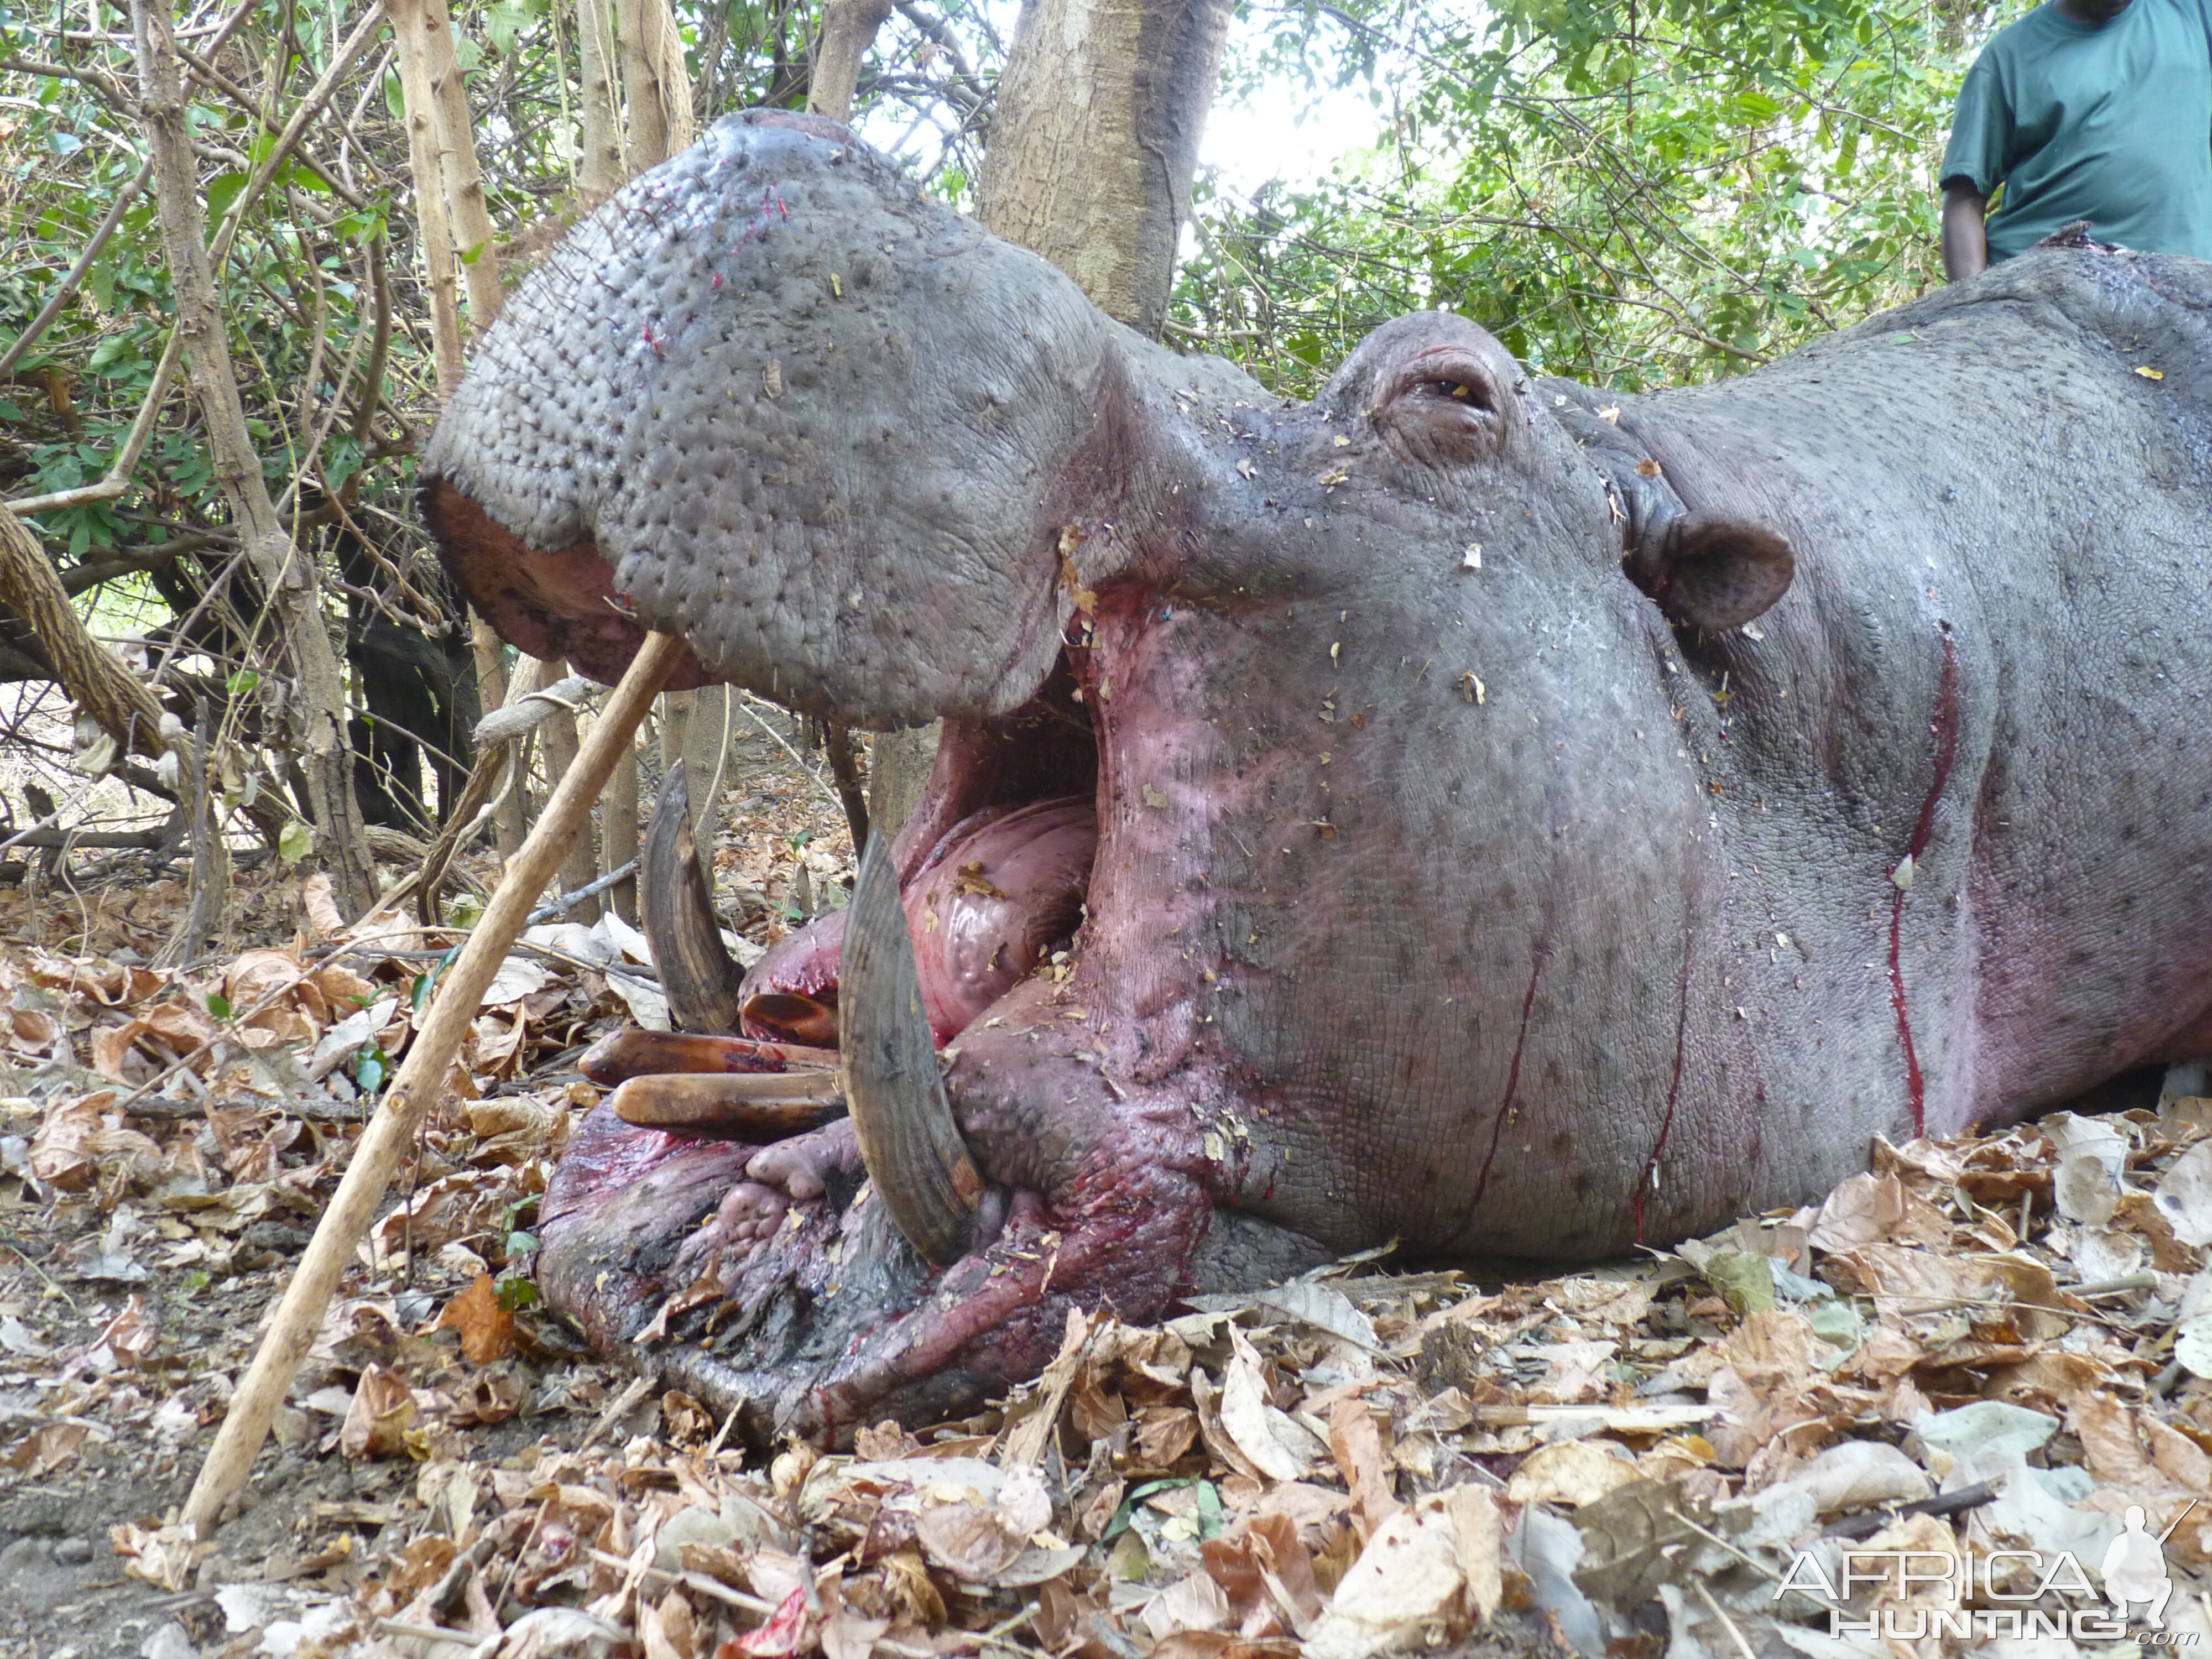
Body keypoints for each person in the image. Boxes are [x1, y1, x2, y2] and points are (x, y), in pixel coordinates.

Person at [1939, 0, 2212, 281]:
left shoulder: (2195, 13)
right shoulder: (2007, 58)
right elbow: (1964, 196)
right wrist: (1973, 303)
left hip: (2183, 287)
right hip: (2042, 291)